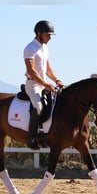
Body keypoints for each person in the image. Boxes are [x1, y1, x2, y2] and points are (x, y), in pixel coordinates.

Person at [24, 20, 64, 150]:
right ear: (39, 33)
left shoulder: (45, 48)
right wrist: (46, 84)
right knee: (39, 106)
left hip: (44, 84)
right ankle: (31, 138)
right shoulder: (30, 48)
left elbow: (48, 69)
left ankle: (45, 135)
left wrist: (57, 80)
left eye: (50, 35)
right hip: (33, 84)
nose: (50, 38)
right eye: (47, 35)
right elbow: (31, 71)